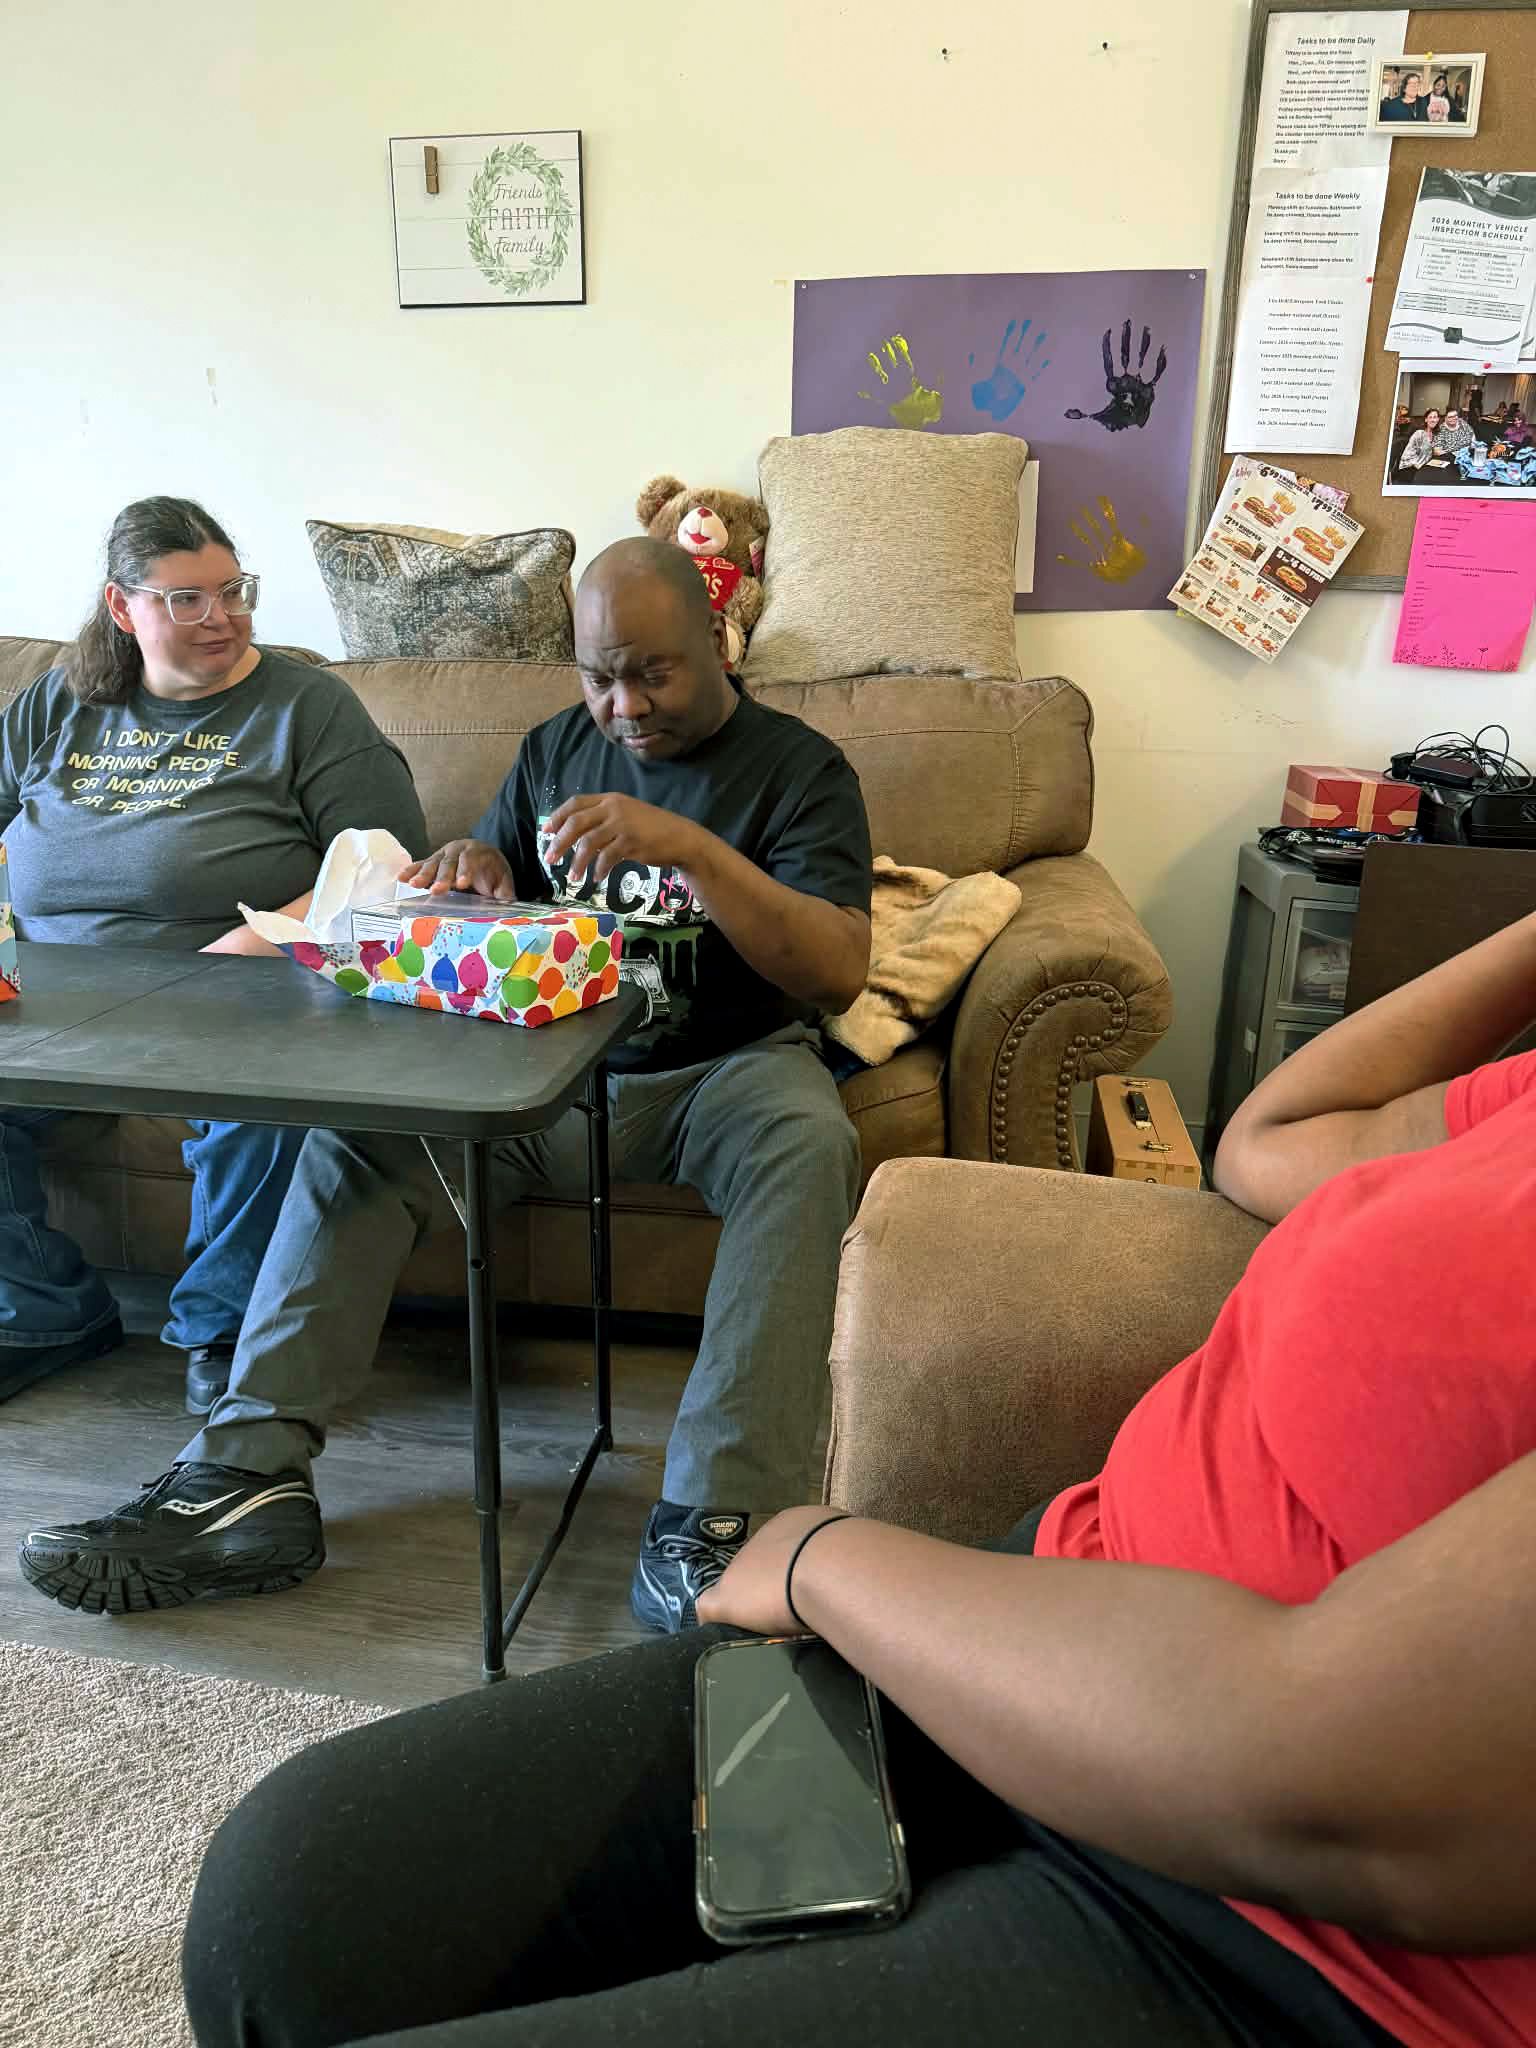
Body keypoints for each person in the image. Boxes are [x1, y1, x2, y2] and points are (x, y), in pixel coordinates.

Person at [179, 913, 1536, 2047]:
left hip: (1287, 1949)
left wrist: (830, 1555)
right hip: (1045, 1634)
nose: (621, 700)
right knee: (286, 1909)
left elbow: (1321, 1782)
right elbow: (1281, 1132)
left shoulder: (789, 771)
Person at [18, 537, 873, 1627]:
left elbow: (840, 963)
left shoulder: (800, 769)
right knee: (359, 1138)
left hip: (725, 1071)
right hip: (542, 1074)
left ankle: (721, 1524)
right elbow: (502, 887)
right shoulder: (559, 745)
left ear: (717, 642)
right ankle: (246, 1482)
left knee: (810, 1142)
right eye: (598, 673)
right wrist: (476, 865)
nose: (624, 704)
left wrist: (693, 849)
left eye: (653, 671)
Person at [0, 497, 425, 1423]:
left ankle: (219, 1330)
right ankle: (43, 1311)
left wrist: (259, 939)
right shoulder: (56, 703)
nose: (222, 617)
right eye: (186, 600)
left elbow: (389, 855)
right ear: (124, 609)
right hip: (48, 1002)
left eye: (234, 591)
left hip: (231, 993)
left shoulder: (304, 707)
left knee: (268, 1109)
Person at [1397, 405, 1444, 472]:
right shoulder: (1419, 434)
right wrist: (1420, 467)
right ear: (1426, 419)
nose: (1433, 420)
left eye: (1435, 417)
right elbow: (1406, 458)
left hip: (1423, 465)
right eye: (1430, 417)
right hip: (1410, 468)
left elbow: (1431, 451)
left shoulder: (1434, 434)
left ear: (1438, 419)